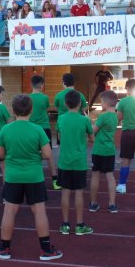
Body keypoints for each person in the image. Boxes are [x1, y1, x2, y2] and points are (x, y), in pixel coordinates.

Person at [0, 94, 62, 261]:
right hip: (34, 176)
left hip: (13, 176)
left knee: (9, 211)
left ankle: (4, 248)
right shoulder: (37, 129)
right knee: (39, 211)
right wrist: (33, 154)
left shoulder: (5, 129)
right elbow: (47, 154)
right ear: (31, 110)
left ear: (13, 110)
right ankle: (46, 250)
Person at [57, 90, 94, 236]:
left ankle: (65, 224)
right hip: (79, 162)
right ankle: (79, 225)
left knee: (65, 192)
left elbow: (60, 136)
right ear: (80, 104)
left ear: (65, 104)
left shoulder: (61, 119)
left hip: (64, 162)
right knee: (79, 193)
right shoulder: (84, 120)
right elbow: (92, 138)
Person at [89, 90, 119, 213]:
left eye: (101, 102)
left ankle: (93, 203)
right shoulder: (115, 116)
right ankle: (112, 204)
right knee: (110, 175)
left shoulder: (103, 116)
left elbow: (93, 131)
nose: (100, 104)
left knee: (95, 175)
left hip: (99, 150)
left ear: (105, 103)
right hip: (109, 150)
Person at [29, 75, 59, 190]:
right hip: (44, 128)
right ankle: (55, 181)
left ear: (31, 84)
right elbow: (46, 108)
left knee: (32, 154)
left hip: (32, 128)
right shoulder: (44, 98)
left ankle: (33, 179)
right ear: (42, 85)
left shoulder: (28, 98)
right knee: (49, 155)